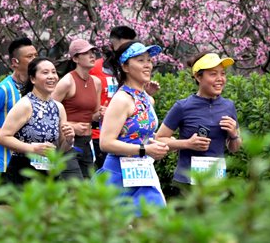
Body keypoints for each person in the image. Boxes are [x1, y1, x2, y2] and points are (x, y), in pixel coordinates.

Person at [98, 41, 169, 214]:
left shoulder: (147, 98)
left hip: (142, 174)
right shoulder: (122, 99)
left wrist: (161, 145)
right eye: (140, 60)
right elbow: (105, 143)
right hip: (118, 175)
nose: (147, 65)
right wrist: (145, 149)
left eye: (149, 60)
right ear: (125, 67)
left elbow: (143, 136)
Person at [156, 52, 241, 194]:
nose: (220, 79)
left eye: (223, 74)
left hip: (216, 182)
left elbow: (235, 148)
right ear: (198, 77)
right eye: (213, 74)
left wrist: (234, 135)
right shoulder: (182, 106)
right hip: (187, 183)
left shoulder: (228, 106)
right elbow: (159, 139)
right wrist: (187, 143)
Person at [0, 58, 75, 185]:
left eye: (54, 72)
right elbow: (3, 137)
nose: (52, 77)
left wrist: (69, 139)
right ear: (33, 79)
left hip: (49, 172)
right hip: (23, 171)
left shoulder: (58, 107)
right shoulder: (25, 105)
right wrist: (32, 149)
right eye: (45, 73)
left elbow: (61, 149)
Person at [0, 37, 38, 175]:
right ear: (15, 62)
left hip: (30, 164)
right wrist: (8, 138)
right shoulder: (2, 89)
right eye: (29, 56)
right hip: (2, 164)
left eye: (36, 55)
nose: (35, 60)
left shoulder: (37, 89)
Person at [52, 39, 101, 179]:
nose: (92, 56)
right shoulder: (67, 82)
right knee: (75, 189)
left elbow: (93, 115)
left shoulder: (96, 83)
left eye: (93, 52)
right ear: (75, 58)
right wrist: (72, 126)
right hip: (68, 142)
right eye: (86, 53)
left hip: (87, 141)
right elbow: (47, 113)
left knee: (89, 189)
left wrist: (102, 114)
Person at [89, 26, 137, 169]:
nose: (126, 51)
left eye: (130, 47)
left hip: (129, 136)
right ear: (112, 46)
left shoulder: (135, 71)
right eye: (122, 47)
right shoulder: (96, 68)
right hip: (100, 134)